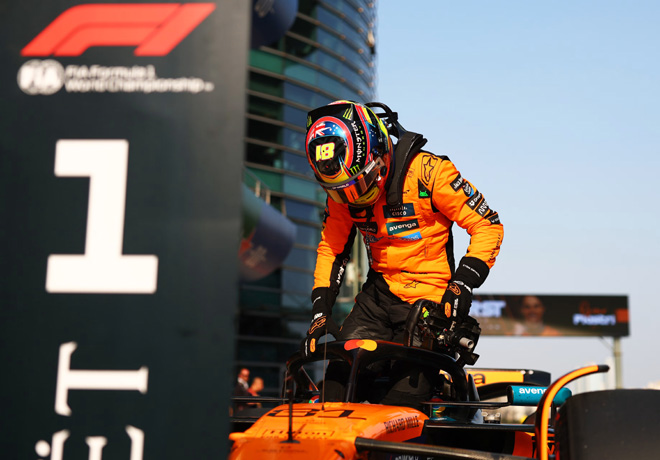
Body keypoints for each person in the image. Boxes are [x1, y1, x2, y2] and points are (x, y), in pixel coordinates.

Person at [300, 101, 504, 407]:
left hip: (429, 302)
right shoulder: (343, 192)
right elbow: (332, 248)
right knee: (335, 390)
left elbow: (487, 225)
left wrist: (463, 283)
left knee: (400, 406)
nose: (353, 196)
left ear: (380, 151)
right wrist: (320, 311)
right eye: (341, 191)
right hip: (376, 298)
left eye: (361, 183)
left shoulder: (429, 172)